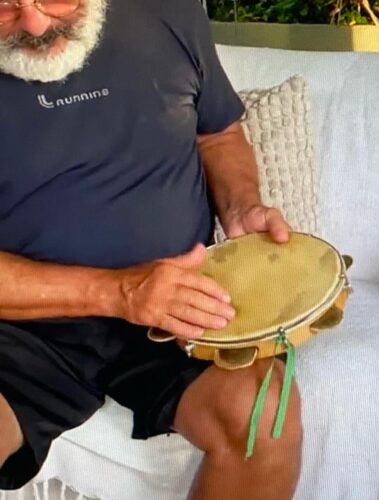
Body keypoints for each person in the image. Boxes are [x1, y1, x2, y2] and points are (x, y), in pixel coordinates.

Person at [0, 0, 303, 498]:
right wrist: (119, 291)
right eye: (7, 8)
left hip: (179, 305)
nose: (33, 23)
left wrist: (242, 207)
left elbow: (219, 134)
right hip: (27, 325)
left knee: (262, 412)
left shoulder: (167, 10)